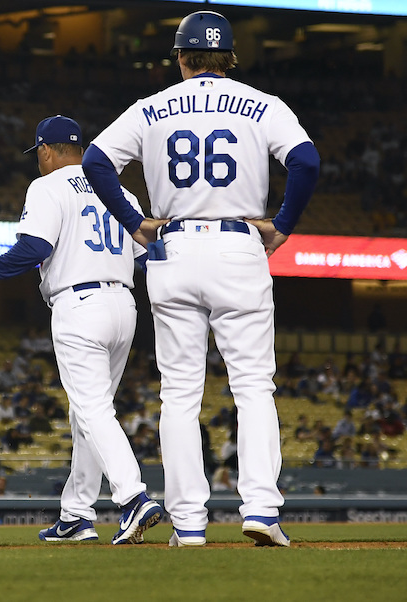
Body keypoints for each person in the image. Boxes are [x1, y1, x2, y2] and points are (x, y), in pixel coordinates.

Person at [82, 10, 320, 547]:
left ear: (182, 57)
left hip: (175, 246)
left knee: (180, 394)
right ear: (230, 57)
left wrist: (135, 222)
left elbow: (96, 161)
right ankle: (261, 508)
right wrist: (282, 226)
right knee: (254, 386)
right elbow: (305, 162)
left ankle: (188, 523)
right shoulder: (263, 104)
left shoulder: (152, 108)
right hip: (239, 244)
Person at [0, 115, 162, 545]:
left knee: (94, 409)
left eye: (38, 153)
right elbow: (144, 255)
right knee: (88, 413)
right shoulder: (120, 187)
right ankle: (76, 513)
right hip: (123, 304)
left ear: (45, 150)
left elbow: (35, 248)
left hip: (79, 304)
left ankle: (133, 497)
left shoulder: (47, 186)